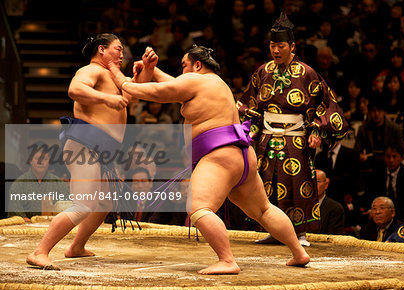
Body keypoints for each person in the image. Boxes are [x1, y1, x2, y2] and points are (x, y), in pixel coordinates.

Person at [107, 44, 311, 275]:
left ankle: (227, 260)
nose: (182, 72)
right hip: (241, 154)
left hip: (219, 156)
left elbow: (156, 92)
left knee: (198, 206)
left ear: (197, 65)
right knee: (263, 210)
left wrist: (120, 77)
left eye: (184, 65)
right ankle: (298, 252)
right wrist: (152, 70)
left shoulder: (196, 80)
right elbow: (174, 84)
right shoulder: (215, 83)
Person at [26, 33, 150, 270]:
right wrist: (105, 98)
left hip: (104, 149)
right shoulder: (92, 70)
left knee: (103, 203)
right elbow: (74, 89)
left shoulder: (114, 77)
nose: (122, 54)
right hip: (86, 144)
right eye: (117, 49)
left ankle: (76, 247)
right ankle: (39, 251)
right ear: (101, 50)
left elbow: (133, 95)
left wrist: (144, 72)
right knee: (84, 204)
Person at [237, 12, 348, 246]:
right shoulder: (263, 71)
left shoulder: (307, 73)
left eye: (281, 45)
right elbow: (252, 104)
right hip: (267, 138)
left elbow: (326, 104)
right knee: (268, 183)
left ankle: (300, 234)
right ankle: (273, 230)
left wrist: (316, 130)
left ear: (292, 46)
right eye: (272, 45)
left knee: (298, 183)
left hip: (296, 138)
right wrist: (252, 127)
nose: (275, 50)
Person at [7, 145, 69, 221]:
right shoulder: (19, 184)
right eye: (37, 158)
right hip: (27, 229)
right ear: (30, 161)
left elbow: (67, 210)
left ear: (48, 161)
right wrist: (28, 222)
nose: (40, 162)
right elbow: (15, 212)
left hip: (54, 226)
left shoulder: (59, 184)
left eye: (44, 159)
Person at [365, 144, 404, 221]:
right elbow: (370, 194)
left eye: (394, 157)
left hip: (399, 215)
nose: (391, 160)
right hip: (378, 210)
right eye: (388, 156)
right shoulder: (376, 172)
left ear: (401, 158)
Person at [313, 169, 345, 235]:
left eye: (317, 181)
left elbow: (333, 239)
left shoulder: (335, 208)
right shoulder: (299, 206)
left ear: (326, 184)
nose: (313, 184)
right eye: (310, 181)